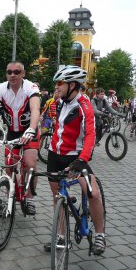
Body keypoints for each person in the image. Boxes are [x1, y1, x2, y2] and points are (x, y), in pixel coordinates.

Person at [44, 65, 105, 255]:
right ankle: (61, 236)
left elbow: (90, 135)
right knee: (58, 197)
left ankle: (100, 236)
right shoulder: (59, 101)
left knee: (92, 193)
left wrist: (82, 159)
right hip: (55, 155)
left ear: (72, 85)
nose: (57, 87)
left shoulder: (84, 104)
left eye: (60, 83)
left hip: (75, 157)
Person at [0, 61, 40, 215]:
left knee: (31, 163)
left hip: (28, 131)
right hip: (12, 133)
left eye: (17, 72)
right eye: (9, 72)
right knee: (8, 167)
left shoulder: (30, 87)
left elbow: (35, 109)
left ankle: (30, 199)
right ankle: (8, 199)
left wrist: (32, 129)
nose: (13, 75)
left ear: (23, 74)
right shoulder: (1, 88)